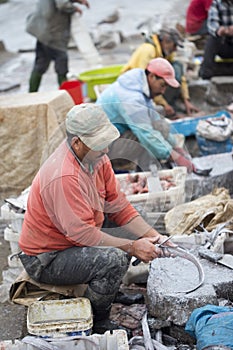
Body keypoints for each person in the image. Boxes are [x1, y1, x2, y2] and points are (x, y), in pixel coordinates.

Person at [18, 103, 174, 330]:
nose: (107, 150)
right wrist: (132, 247)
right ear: (77, 143)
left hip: (78, 234)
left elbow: (118, 206)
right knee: (113, 259)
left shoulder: (96, 158)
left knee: (133, 226)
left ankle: (110, 292)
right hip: (47, 257)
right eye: (99, 144)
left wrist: (157, 237)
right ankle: (98, 319)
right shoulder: (64, 176)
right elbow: (81, 235)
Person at [96, 58, 196, 173]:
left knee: (159, 123)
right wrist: (175, 157)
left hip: (115, 136)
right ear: (152, 77)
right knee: (146, 139)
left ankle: (150, 167)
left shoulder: (139, 83)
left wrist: (176, 147)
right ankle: (146, 173)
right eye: (162, 85)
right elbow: (146, 133)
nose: (163, 91)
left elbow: (155, 121)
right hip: (104, 150)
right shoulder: (131, 98)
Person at [121, 27, 199, 118]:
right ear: (166, 41)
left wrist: (186, 100)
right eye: (174, 46)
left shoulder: (165, 52)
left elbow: (179, 77)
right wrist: (164, 104)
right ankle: (165, 107)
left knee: (177, 66)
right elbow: (145, 81)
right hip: (133, 87)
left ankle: (169, 105)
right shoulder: (148, 50)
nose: (175, 49)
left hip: (150, 83)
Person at [26, 0, 89, 92]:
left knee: (40, 64)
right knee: (62, 61)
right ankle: (64, 94)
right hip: (52, 33)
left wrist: (77, 1)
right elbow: (62, 4)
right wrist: (74, 8)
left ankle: (31, 94)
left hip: (43, 32)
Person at [199, 0, 233, 79]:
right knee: (212, 39)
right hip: (223, 43)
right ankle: (206, 72)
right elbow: (212, 25)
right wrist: (224, 30)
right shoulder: (217, 3)